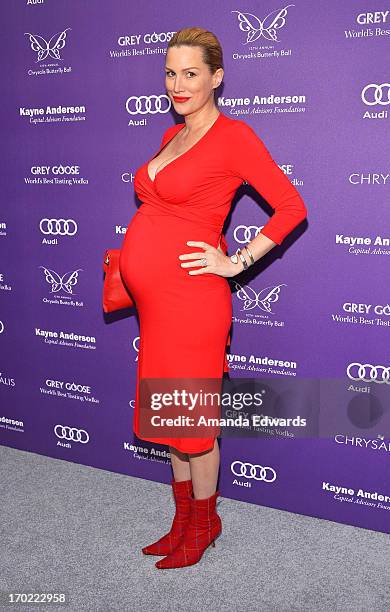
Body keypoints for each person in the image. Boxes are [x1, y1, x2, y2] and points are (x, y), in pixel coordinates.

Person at [119, 26, 307, 570]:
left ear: (217, 78)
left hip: (194, 302)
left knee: (193, 423)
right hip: (157, 306)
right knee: (171, 414)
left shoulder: (234, 136)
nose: (178, 85)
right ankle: (181, 520)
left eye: (191, 74)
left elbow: (291, 207)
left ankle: (203, 524)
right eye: (171, 74)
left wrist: (235, 262)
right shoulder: (168, 136)